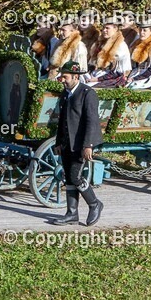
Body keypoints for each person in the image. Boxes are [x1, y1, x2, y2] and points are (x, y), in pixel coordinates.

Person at [52, 61, 104, 226]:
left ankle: (94, 204)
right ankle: (72, 214)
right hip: (67, 143)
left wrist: (88, 145)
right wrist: (59, 141)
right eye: (62, 77)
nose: (63, 80)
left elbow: (92, 121)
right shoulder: (65, 94)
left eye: (65, 77)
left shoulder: (87, 93)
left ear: (76, 77)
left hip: (81, 144)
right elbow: (62, 120)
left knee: (75, 176)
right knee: (69, 178)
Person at [85, 16, 130, 88]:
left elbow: (117, 73)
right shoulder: (101, 43)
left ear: (115, 29)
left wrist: (97, 79)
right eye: (103, 28)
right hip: (97, 75)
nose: (104, 30)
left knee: (88, 88)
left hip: (114, 79)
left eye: (107, 28)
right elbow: (92, 64)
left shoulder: (120, 46)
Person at [127, 20, 151, 89]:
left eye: (145, 30)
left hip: (149, 77)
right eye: (140, 30)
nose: (142, 33)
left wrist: (136, 78)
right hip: (136, 74)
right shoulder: (136, 44)